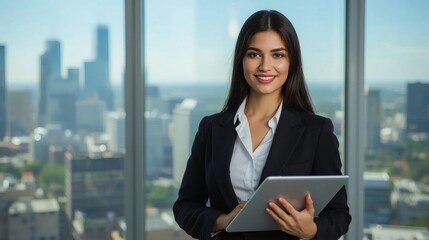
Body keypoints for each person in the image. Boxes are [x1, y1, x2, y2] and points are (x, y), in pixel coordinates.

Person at [173, 10, 351, 240]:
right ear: (241, 60)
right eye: (254, 54)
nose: (265, 66)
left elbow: (339, 215)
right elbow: (185, 207)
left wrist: (311, 231)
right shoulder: (211, 129)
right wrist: (223, 221)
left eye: (277, 55)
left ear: (291, 61)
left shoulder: (316, 131)